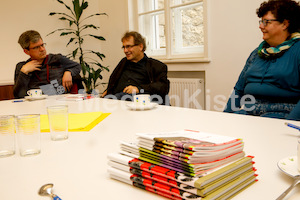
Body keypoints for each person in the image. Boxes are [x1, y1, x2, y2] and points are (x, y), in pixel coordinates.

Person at [224, 0, 300, 121]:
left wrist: (289, 125)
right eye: (261, 22)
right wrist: (225, 117)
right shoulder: (256, 53)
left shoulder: (298, 50)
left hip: (281, 117)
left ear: (285, 24)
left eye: (266, 22)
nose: (261, 26)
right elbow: (239, 90)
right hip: (250, 114)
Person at [101, 31, 170, 105]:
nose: (125, 51)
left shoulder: (156, 66)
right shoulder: (123, 62)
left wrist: (138, 89)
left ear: (140, 46)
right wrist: (108, 91)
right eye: (124, 47)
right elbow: (113, 81)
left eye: (128, 46)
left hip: (140, 102)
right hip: (117, 102)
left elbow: (163, 87)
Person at [13, 30, 82, 98]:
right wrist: (24, 72)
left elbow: (77, 66)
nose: (42, 49)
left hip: (60, 101)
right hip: (35, 105)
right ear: (26, 51)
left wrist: (69, 72)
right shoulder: (22, 67)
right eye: (36, 47)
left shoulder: (57, 59)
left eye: (42, 45)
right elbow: (18, 95)